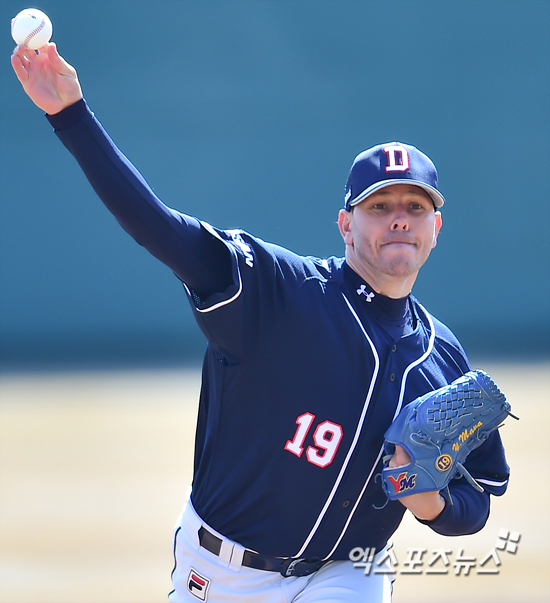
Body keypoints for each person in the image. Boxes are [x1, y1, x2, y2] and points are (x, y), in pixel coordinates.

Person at [11, 43, 510, 602]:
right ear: (346, 225)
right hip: (224, 571)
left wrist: (432, 504)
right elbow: (158, 227)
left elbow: (479, 496)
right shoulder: (278, 292)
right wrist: (71, 116)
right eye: (379, 206)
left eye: (415, 207)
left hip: (348, 573)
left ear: (435, 228)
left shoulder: (442, 357)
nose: (399, 219)